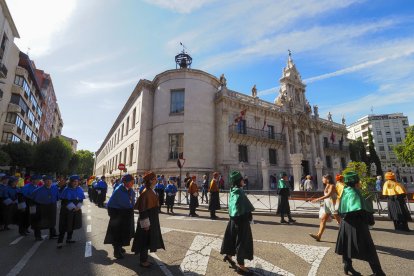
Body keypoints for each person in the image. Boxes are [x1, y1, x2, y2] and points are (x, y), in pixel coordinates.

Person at [335, 171, 385, 276]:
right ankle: (378, 272)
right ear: (356, 182)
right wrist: (370, 220)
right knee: (369, 248)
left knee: (346, 245)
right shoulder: (356, 193)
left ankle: (348, 265)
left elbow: (340, 209)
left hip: (345, 223)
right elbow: (362, 210)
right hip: (357, 225)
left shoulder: (345, 191)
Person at [220, 171, 255, 275]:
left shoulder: (232, 190)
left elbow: (235, 206)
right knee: (242, 242)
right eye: (241, 179)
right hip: (241, 221)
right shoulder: (239, 192)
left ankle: (229, 256)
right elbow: (243, 207)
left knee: (231, 238)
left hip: (233, 220)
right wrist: (249, 216)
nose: (243, 180)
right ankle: (241, 267)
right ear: (238, 181)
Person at [131, 171, 165, 268]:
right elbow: (143, 210)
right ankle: (143, 261)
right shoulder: (146, 192)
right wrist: (145, 224)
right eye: (154, 179)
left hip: (151, 218)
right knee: (144, 240)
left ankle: (145, 259)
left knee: (147, 239)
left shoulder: (151, 190)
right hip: (147, 220)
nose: (156, 180)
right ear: (150, 181)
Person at [104, 174, 136, 259]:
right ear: (125, 182)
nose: (133, 183)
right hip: (118, 214)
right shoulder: (119, 190)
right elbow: (118, 203)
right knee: (117, 233)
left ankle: (120, 247)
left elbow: (131, 201)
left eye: (133, 181)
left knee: (124, 232)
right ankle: (116, 251)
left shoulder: (129, 190)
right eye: (131, 181)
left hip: (125, 213)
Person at [309, 174, 341, 242]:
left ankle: (349, 236)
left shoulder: (332, 186)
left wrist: (317, 199)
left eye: (323, 178)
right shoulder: (327, 185)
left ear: (327, 179)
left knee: (340, 222)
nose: (322, 180)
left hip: (333, 205)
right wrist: (323, 203)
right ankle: (318, 236)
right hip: (327, 205)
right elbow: (327, 197)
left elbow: (328, 195)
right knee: (323, 219)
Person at [57, 175, 85, 249]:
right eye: (74, 181)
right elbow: (64, 201)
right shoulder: (66, 189)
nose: (75, 183)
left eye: (77, 181)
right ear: (71, 182)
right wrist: (73, 207)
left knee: (72, 224)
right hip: (67, 210)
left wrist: (78, 206)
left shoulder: (80, 189)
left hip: (76, 209)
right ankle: (60, 242)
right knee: (64, 225)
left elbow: (81, 199)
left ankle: (69, 238)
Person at [31, 175, 59, 241]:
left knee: (52, 220)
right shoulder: (37, 190)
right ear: (44, 181)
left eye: (50, 180)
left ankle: (52, 234)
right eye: (47, 181)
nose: (49, 182)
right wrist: (32, 211)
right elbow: (32, 201)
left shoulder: (55, 188)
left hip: (52, 206)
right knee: (38, 221)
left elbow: (57, 197)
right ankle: (37, 236)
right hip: (41, 207)